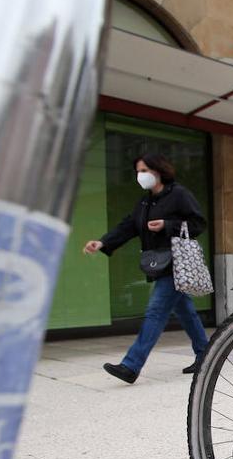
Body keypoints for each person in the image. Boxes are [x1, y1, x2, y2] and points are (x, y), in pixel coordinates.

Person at [83, 153, 210, 383]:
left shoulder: (178, 194)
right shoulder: (145, 202)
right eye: (138, 172)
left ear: (157, 171)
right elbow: (129, 226)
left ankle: (131, 366)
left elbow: (198, 223)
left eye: (144, 171)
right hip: (159, 263)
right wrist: (103, 242)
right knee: (185, 311)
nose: (140, 176)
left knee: (156, 311)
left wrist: (167, 225)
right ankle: (206, 354)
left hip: (176, 263)